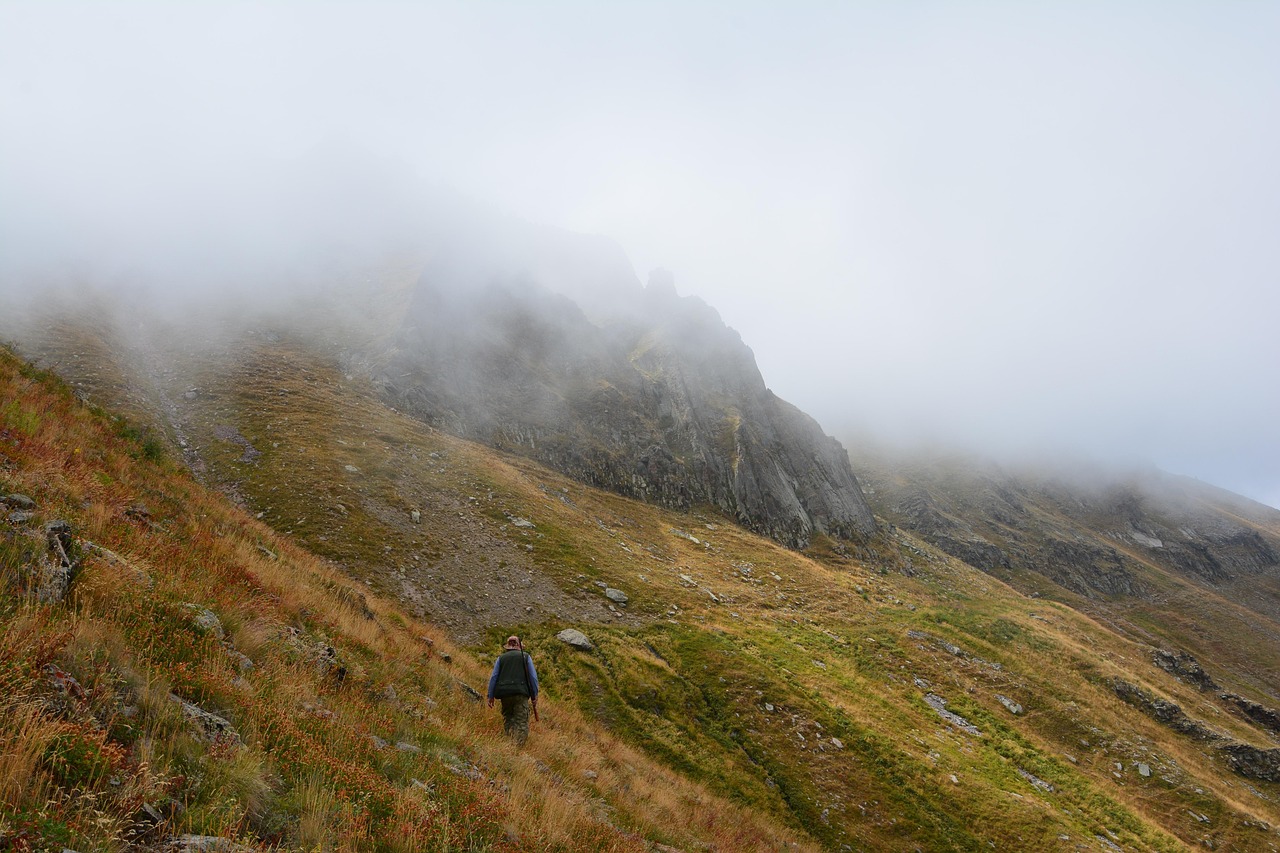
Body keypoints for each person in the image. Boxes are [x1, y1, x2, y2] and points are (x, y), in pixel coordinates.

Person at [487, 635, 539, 745]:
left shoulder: (501, 658)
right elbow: (533, 678)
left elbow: (494, 677)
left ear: (507, 647)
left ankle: (508, 744)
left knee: (508, 719)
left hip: (504, 695)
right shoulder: (526, 657)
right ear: (520, 646)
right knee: (521, 722)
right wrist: (535, 695)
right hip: (521, 694)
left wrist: (490, 696)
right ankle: (517, 747)